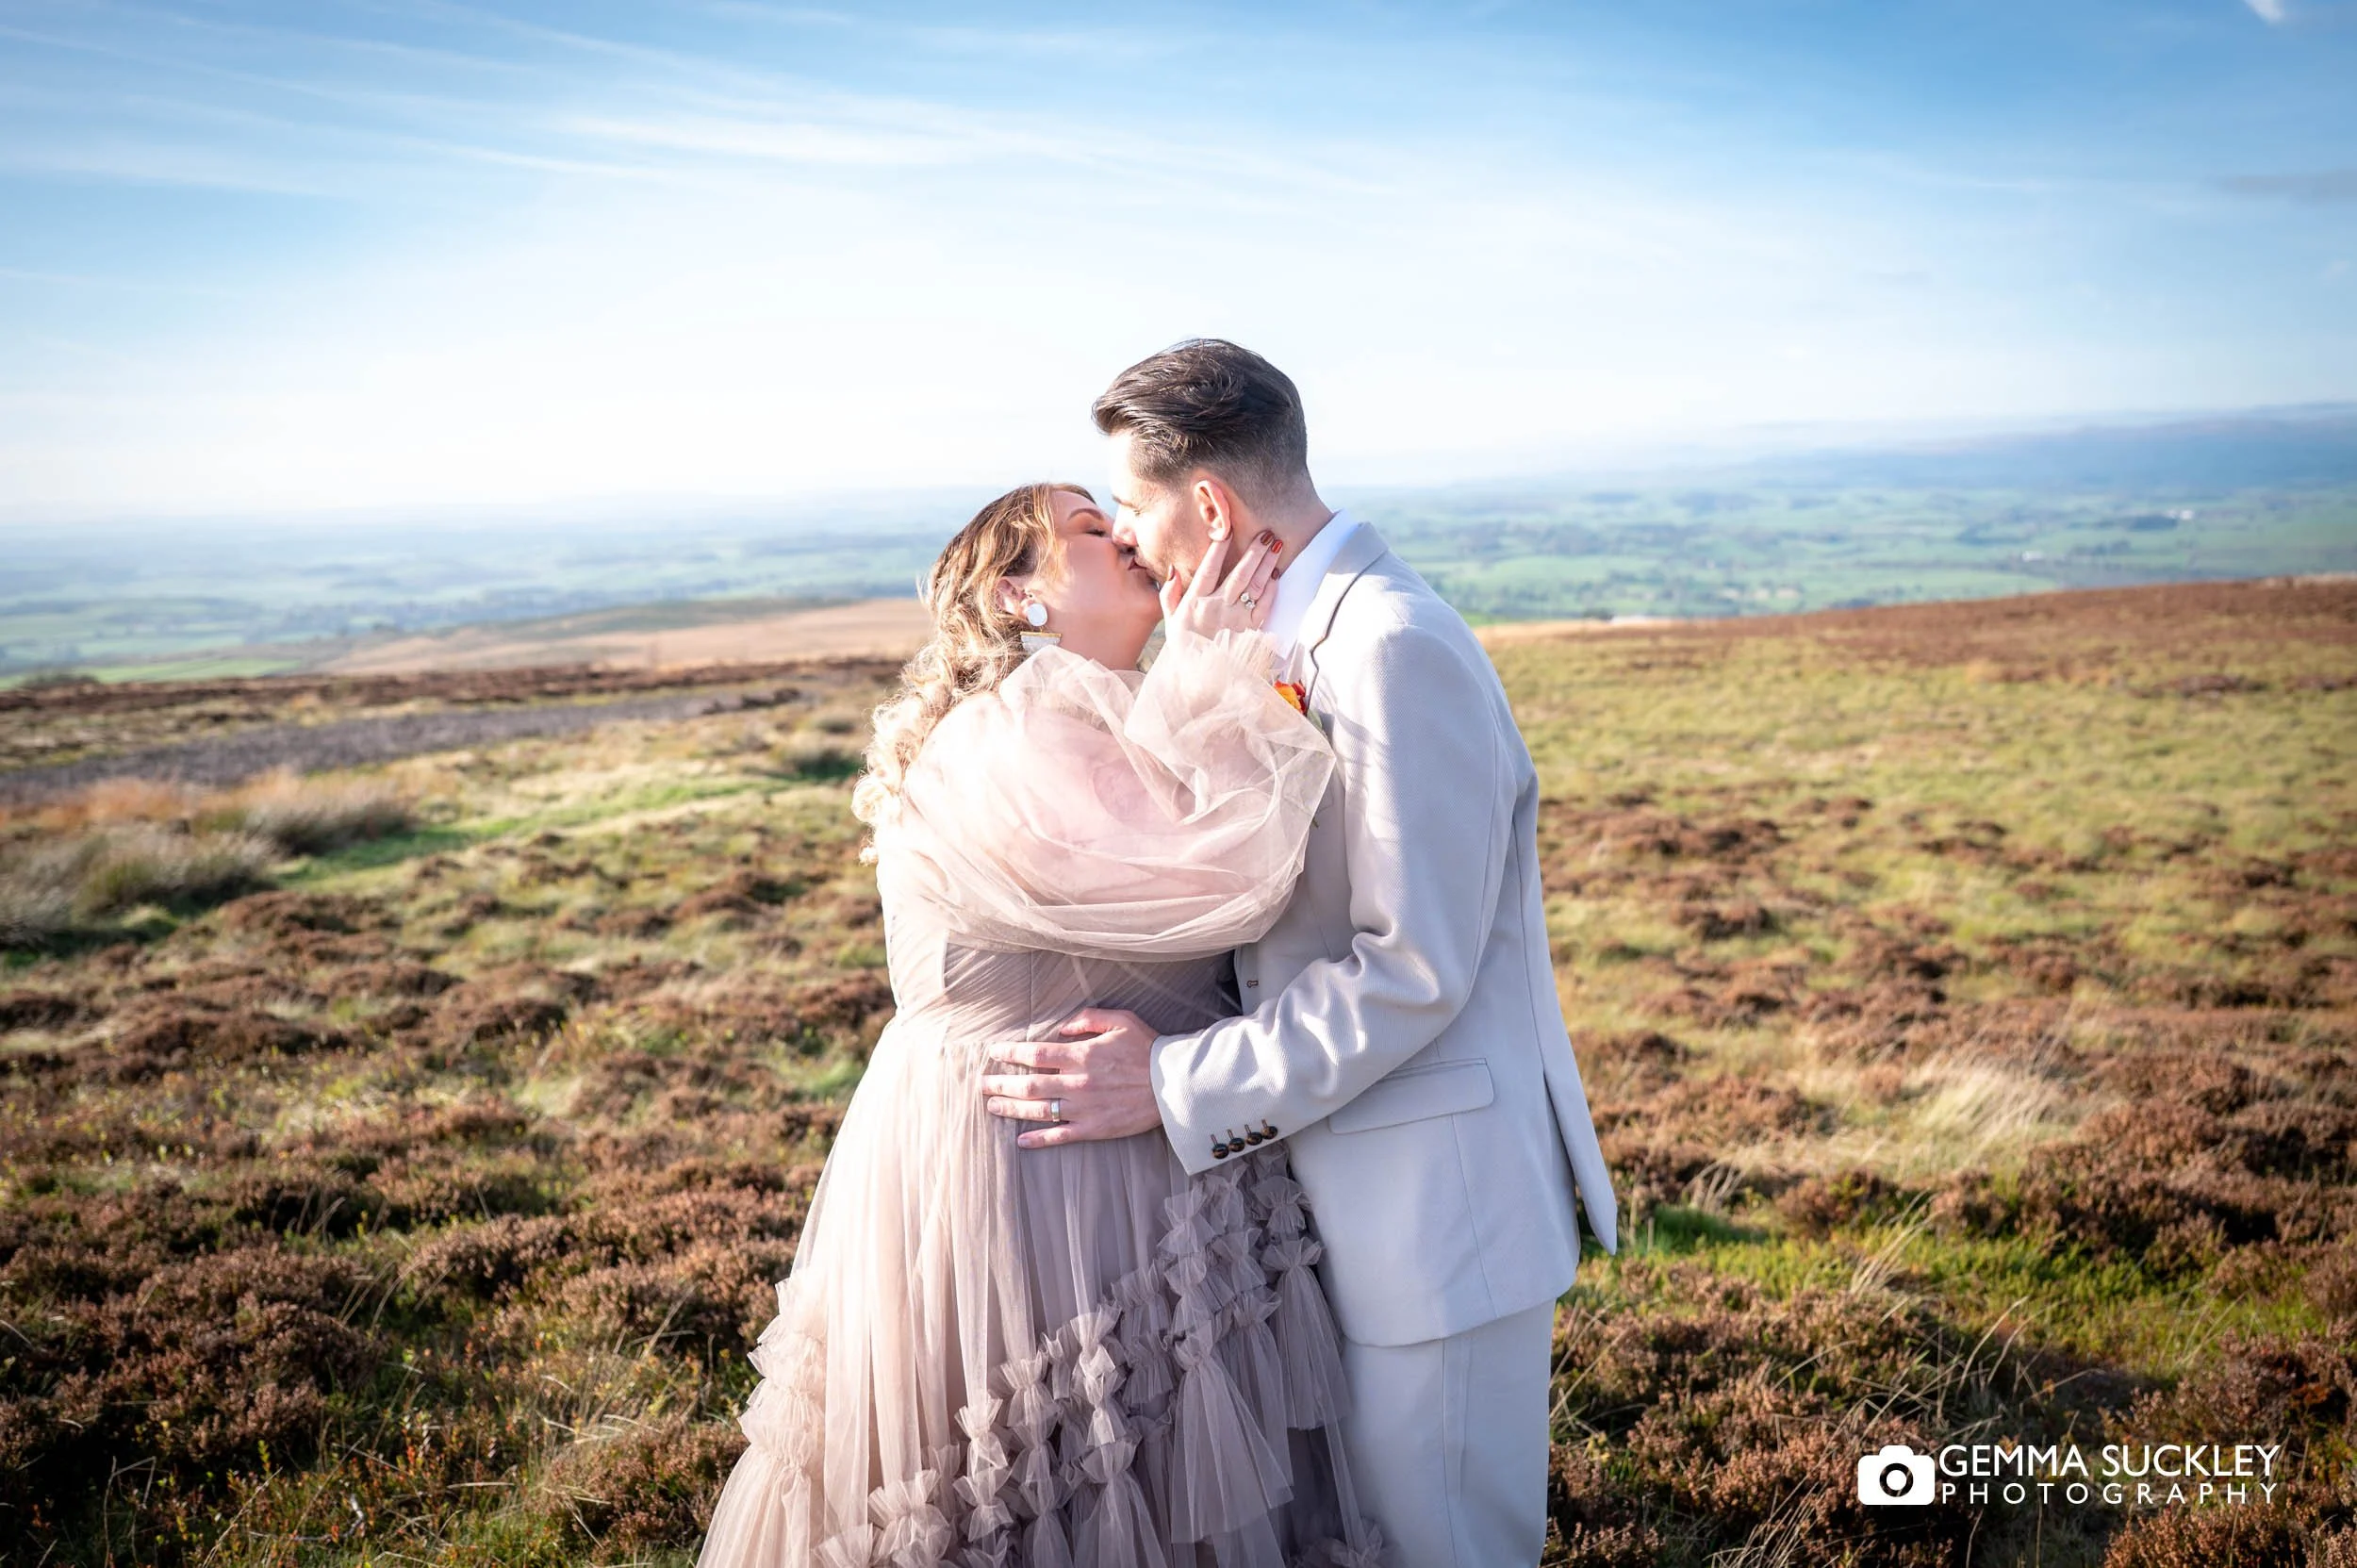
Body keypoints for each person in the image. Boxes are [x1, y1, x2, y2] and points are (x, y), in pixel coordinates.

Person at [980, 340, 1620, 1567]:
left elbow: (1411, 969)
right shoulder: (1269, 635)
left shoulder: (1389, 646)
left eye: (1131, 503)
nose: (1127, 534)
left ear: (1209, 503)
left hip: (1434, 1220)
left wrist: (1169, 1083)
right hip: (1332, 1201)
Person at [697, 481, 1384, 1567]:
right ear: (1017, 597)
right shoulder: (999, 737)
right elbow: (1222, 878)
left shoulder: (1104, 717)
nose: (1119, 533)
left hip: (1137, 1159)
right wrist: (1220, 674)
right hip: (1024, 1182)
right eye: (1082, 528)